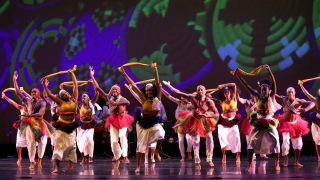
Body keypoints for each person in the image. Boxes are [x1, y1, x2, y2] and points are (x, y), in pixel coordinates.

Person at [119, 62, 165, 173]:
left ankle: (157, 150)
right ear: (145, 91)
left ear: (154, 90)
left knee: (161, 134)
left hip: (153, 123)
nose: (149, 92)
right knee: (141, 146)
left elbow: (157, 81)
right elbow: (134, 86)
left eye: (151, 90)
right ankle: (138, 166)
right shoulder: (144, 99)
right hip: (143, 124)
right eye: (147, 90)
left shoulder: (158, 97)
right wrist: (124, 73)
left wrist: (155, 69)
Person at [234, 65, 282, 171]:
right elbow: (247, 86)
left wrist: (269, 70)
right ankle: (250, 164)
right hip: (258, 121)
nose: (263, 91)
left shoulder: (272, 96)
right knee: (250, 142)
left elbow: (274, 83)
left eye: (265, 89)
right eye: (262, 89)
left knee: (276, 141)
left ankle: (277, 163)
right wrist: (238, 76)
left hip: (269, 121)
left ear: (269, 90)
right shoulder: (257, 96)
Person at [162, 81, 219, 168]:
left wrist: (206, 116)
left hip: (205, 120)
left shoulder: (209, 102)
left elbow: (217, 114)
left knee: (210, 139)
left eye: (201, 90)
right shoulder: (192, 97)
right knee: (196, 141)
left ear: (205, 91)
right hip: (194, 120)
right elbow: (178, 93)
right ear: (197, 92)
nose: (200, 91)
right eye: (198, 90)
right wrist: (169, 85)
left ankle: (210, 159)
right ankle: (197, 161)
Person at [89, 66, 133, 169]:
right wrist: (92, 76)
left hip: (123, 120)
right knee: (113, 141)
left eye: (116, 89)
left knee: (122, 136)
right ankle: (117, 157)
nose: (114, 90)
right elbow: (98, 89)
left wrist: (115, 103)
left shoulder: (122, 98)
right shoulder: (109, 98)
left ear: (119, 90)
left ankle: (125, 155)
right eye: (112, 89)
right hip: (113, 120)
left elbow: (127, 102)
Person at [13, 71, 54, 169]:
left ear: (38, 93)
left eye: (35, 92)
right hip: (30, 125)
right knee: (30, 143)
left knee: (42, 143)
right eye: (32, 92)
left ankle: (39, 160)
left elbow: (40, 113)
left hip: (41, 124)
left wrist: (29, 115)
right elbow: (18, 92)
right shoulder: (28, 101)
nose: (33, 93)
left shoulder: (42, 103)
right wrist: (15, 80)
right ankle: (32, 162)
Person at [41, 70, 79, 173]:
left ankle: (70, 162)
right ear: (61, 97)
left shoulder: (74, 99)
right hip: (61, 125)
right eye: (63, 94)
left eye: (66, 92)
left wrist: (72, 74)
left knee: (71, 145)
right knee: (58, 145)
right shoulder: (60, 102)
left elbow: (75, 85)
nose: (66, 93)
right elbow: (49, 94)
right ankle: (57, 167)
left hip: (71, 126)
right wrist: (45, 86)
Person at [275, 87, 314, 167]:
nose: (290, 94)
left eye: (292, 92)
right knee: (285, 141)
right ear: (287, 94)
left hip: (296, 124)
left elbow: (313, 102)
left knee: (298, 144)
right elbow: (274, 95)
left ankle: (296, 161)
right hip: (286, 124)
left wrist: (306, 109)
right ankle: (286, 158)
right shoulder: (284, 99)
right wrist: (270, 88)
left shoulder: (299, 101)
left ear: (295, 93)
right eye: (289, 92)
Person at [161, 88, 192, 162]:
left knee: (189, 139)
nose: (183, 98)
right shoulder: (179, 103)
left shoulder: (190, 104)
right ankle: (183, 156)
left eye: (185, 96)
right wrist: (162, 89)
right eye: (182, 96)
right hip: (180, 123)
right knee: (180, 140)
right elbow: (169, 96)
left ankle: (189, 152)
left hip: (188, 123)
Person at [213, 83, 241, 164]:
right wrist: (208, 98)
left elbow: (234, 84)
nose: (226, 93)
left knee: (237, 138)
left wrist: (222, 85)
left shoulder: (234, 98)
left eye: (228, 92)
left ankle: (238, 156)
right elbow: (214, 101)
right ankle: (224, 155)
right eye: (225, 92)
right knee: (222, 137)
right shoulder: (222, 101)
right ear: (224, 94)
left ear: (230, 93)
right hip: (224, 122)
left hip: (233, 121)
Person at [2, 89, 31, 165]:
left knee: (31, 144)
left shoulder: (31, 108)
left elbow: (32, 99)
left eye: (24, 101)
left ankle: (32, 158)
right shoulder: (21, 108)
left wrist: (24, 92)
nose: (23, 102)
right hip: (21, 127)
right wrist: (5, 97)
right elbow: (12, 102)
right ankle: (19, 157)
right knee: (18, 144)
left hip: (29, 127)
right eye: (22, 102)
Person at [238, 91, 268, 160]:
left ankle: (263, 153)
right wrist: (237, 96)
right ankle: (252, 155)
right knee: (249, 139)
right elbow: (242, 100)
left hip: (258, 122)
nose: (254, 96)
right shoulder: (248, 102)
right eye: (252, 94)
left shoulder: (260, 103)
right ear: (251, 95)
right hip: (249, 122)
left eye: (255, 95)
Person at [77, 87, 99, 164]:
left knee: (90, 140)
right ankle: (83, 158)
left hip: (90, 125)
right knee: (80, 142)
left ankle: (90, 156)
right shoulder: (79, 105)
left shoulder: (91, 104)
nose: (82, 98)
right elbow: (73, 97)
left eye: (84, 97)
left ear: (88, 99)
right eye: (82, 97)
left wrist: (93, 81)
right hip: (81, 126)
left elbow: (97, 93)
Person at [299, 80, 320, 162]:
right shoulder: (316, 100)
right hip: (318, 121)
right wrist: (301, 85)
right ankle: (319, 157)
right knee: (318, 140)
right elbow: (307, 94)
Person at [43, 80, 60, 151]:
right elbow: (45, 96)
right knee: (53, 140)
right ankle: (54, 156)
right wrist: (45, 86)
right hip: (53, 124)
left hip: (61, 124)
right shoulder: (52, 103)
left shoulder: (62, 104)